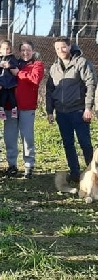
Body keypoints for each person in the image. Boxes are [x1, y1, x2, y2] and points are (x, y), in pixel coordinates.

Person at [46, 37, 95, 184]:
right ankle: (75, 173)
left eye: (63, 47)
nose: (60, 51)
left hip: (79, 111)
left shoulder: (81, 63)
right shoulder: (54, 68)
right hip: (62, 113)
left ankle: (92, 173)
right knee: (68, 144)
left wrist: (88, 108)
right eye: (57, 48)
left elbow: (91, 85)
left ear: (69, 47)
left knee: (85, 143)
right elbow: (50, 90)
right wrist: (50, 111)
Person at [1, 41, 44, 179]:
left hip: (27, 107)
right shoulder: (13, 63)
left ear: (33, 51)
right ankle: (12, 165)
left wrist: (19, 73)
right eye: (23, 50)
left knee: (27, 137)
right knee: (10, 137)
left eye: (28, 50)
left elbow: (35, 79)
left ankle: (29, 165)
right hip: (10, 107)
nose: (25, 53)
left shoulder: (37, 65)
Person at [0, 39, 20, 120]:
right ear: (0, 49)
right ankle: (1, 109)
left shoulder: (12, 58)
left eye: (7, 49)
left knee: (12, 95)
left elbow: (16, 66)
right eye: (4, 49)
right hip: (1, 81)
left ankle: (14, 109)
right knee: (3, 95)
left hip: (10, 81)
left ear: (10, 49)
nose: (5, 51)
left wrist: (10, 66)